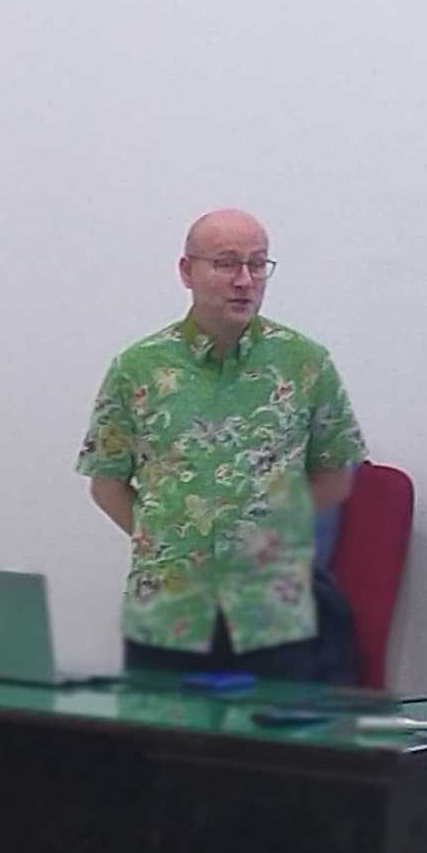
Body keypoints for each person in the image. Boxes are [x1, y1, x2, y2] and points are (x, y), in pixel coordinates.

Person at [79, 208, 366, 684]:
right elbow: (105, 482)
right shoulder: (139, 367)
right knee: (163, 748)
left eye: (258, 264)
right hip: (169, 604)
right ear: (187, 271)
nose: (245, 280)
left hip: (270, 607)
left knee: (270, 752)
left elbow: (335, 473)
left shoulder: (305, 363)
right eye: (227, 263)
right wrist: (166, 540)